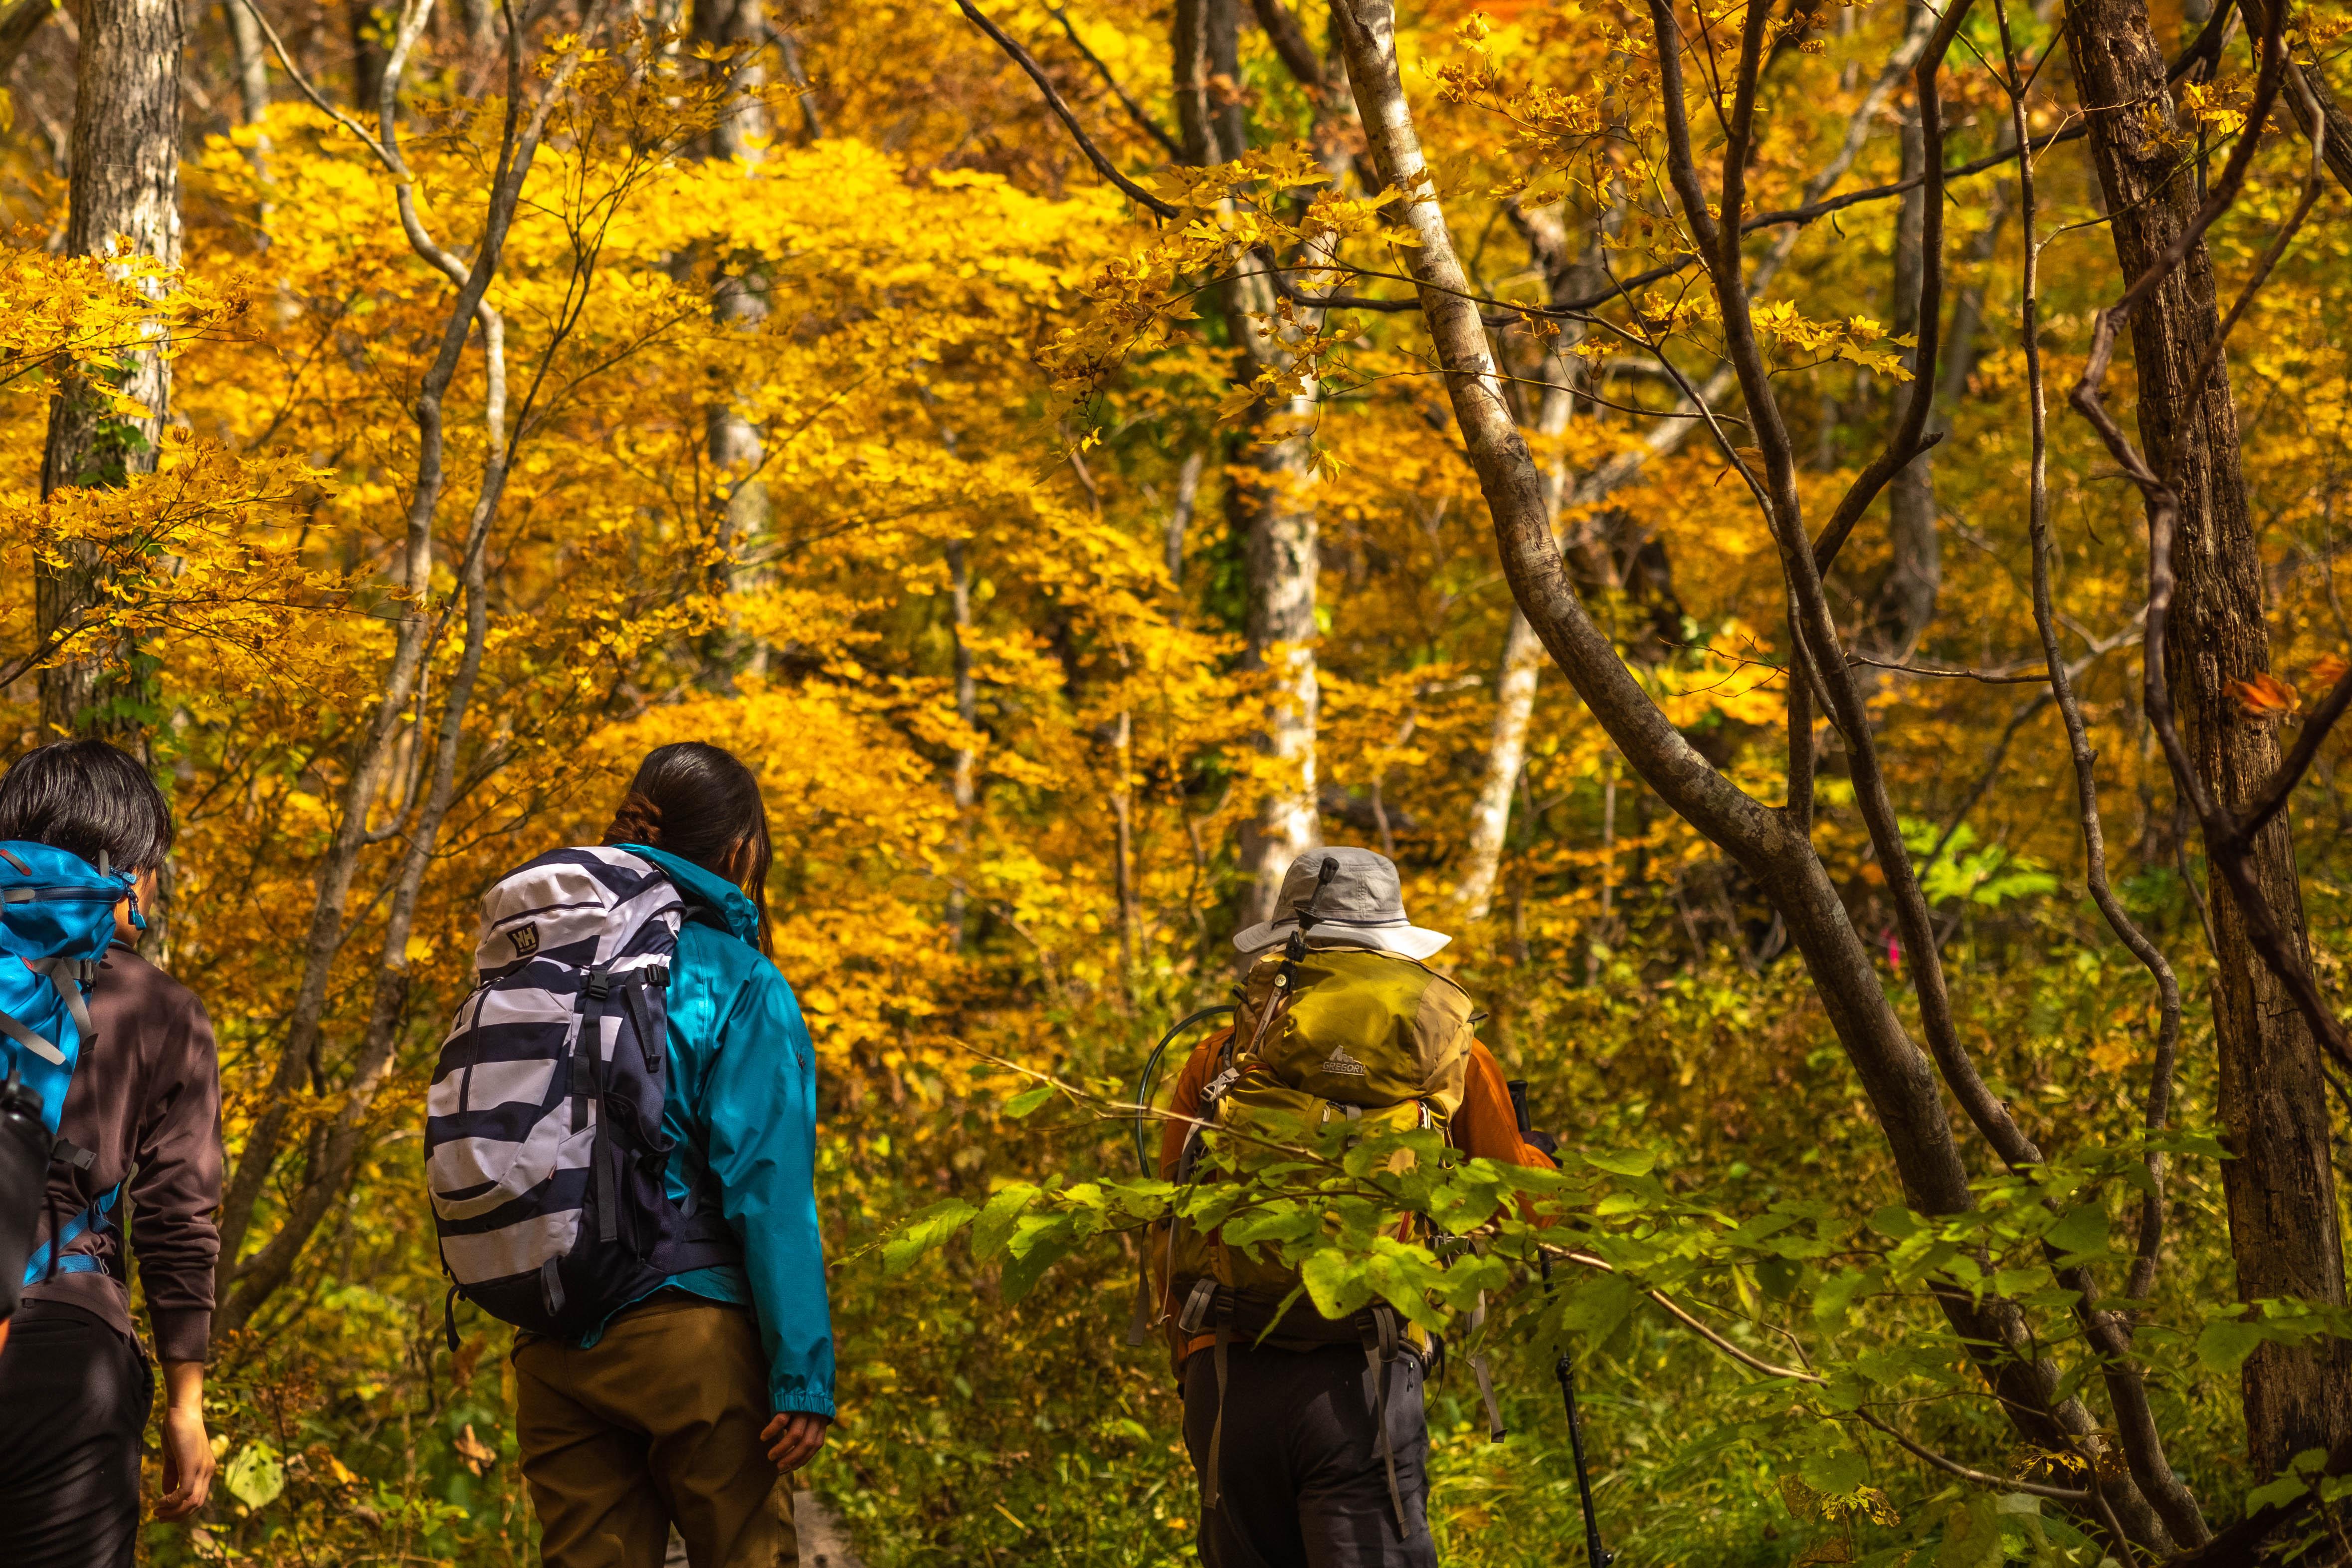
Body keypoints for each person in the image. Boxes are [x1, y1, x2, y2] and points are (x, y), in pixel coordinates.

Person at [1155, 847, 1555, 1568]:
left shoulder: (1219, 1058)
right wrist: (1542, 1158)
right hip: (1363, 1377)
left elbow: (1167, 1215)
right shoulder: (1451, 1056)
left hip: (1227, 1373)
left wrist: (1192, 1359)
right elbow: (1520, 1211)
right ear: (1391, 945)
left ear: (1284, 942)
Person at [512, 742, 834, 1568]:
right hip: (690, 1336)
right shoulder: (738, 980)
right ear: (735, 853)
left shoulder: (544, 962)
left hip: (552, 1338)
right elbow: (771, 1190)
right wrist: (802, 1373)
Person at [0, 738, 221, 1565]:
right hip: (65, 1353)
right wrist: (184, 1405)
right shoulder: (161, 1009)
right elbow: (178, 1219)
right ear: (122, 872)